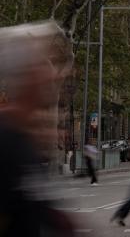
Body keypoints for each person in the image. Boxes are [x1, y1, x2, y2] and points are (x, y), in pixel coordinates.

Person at [0, 21, 77, 236]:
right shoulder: (5, 141)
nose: (55, 75)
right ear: (27, 76)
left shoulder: (26, 140)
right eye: (45, 63)